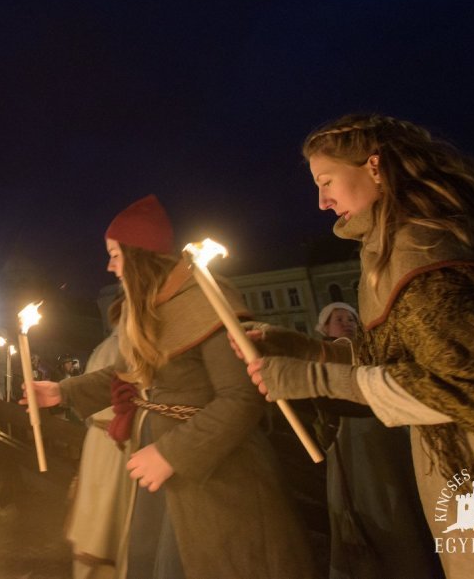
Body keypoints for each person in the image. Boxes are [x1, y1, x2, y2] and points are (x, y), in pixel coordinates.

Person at [245, 114, 474, 578]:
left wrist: (318, 378)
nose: (322, 202)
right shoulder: (392, 246)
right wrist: (308, 349)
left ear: (375, 166)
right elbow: (401, 358)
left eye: (326, 181)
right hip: (468, 469)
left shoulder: (424, 249)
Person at [33, 194, 312, 578]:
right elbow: (126, 374)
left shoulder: (205, 297)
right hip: (162, 468)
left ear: (138, 256)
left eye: (114, 254)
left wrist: (171, 454)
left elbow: (242, 397)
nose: (109, 265)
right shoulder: (145, 308)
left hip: (216, 474)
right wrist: (61, 391)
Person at [307, 302, 442, 579]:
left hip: (390, 439)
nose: (347, 323)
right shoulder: (324, 357)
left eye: (351, 318)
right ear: (325, 327)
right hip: (353, 447)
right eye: (339, 319)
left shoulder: (372, 351)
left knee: (403, 504)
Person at [66, 308, 131, 579]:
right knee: (111, 523)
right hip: (117, 444)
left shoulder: (101, 348)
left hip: (98, 441)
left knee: (96, 521)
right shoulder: (125, 348)